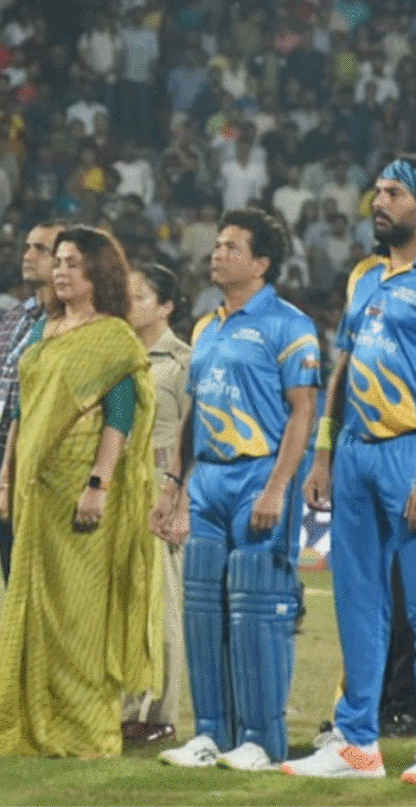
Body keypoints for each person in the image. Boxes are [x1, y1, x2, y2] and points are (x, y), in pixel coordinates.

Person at [282, 154, 416, 783]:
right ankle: (357, 741)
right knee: (358, 601)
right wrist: (324, 451)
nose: (379, 201)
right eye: (377, 190)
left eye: (394, 193)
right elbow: (342, 368)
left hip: (415, 451)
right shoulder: (366, 277)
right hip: (356, 453)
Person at [153, 207, 320, 771]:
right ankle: (210, 734)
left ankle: (261, 739)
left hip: (259, 475)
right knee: (203, 607)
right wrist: (176, 485)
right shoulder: (205, 326)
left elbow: (303, 413)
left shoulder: (289, 325)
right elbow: (194, 414)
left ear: (262, 262)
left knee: (256, 609)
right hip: (210, 479)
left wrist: (278, 488)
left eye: (230, 246)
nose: (216, 253)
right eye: (217, 244)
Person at [0, 226, 161, 758]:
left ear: (97, 275)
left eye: (73, 264)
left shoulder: (112, 336)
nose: (61, 271)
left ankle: (86, 729)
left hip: (81, 486)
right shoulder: (46, 329)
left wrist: (98, 485)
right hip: (33, 489)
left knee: (80, 613)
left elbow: (120, 414)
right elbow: (22, 409)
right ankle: (34, 718)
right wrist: (5, 480)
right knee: (34, 605)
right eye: (58, 262)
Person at [122, 263, 192, 744]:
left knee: (165, 606)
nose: (129, 304)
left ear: (166, 306)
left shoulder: (184, 361)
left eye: (140, 297)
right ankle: (128, 709)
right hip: (120, 492)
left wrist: (182, 501)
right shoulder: (118, 356)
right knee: (126, 604)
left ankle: (163, 713)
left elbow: (194, 437)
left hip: (161, 491)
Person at [0, 222, 62, 584]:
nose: (27, 255)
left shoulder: (70, 321)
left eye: (40, 249)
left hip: (43, 458)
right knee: (9, 561)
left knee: (45, 573)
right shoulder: (12, 317)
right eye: (27, 246)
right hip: (0, 452)